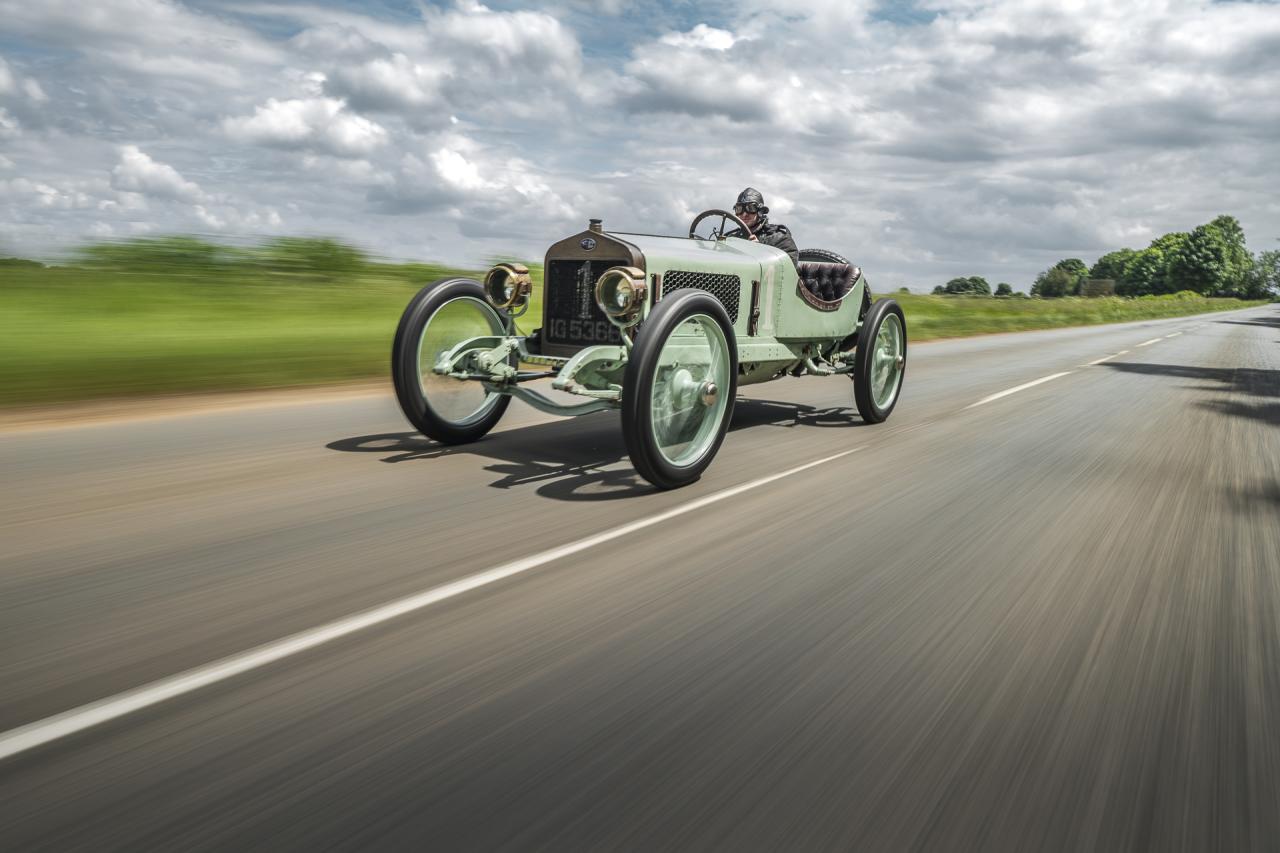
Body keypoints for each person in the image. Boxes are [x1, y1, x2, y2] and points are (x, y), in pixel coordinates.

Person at [726, 187, 798, 266]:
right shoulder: (731, 239)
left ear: (760, 211)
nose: (744, 214)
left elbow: (788, 266)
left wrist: (760, 251)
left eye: (750, 208)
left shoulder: (779, 237)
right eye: (739, 209)